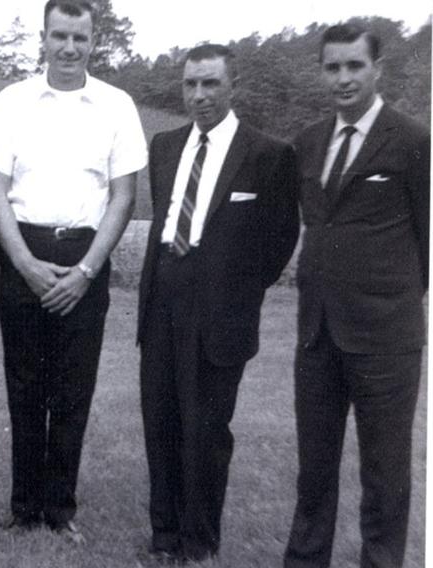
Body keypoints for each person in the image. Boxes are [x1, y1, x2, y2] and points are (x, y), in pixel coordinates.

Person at [0, 0, 147, 544]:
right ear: (44, 38)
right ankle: (24, 506)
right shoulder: (11, 102)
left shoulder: (117, 105)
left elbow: (124, 196)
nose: (69, 47)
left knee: (73, 390)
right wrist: (23, 263)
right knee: (25, 386)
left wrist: (86, 269)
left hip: (86, 257)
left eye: (80, 37)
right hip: (23, 250)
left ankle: (59, 507)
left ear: (94, 41)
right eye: (60, 36)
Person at [136, 43, 299, 563]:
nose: (199, 95)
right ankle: (163, 538)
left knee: (204, 431)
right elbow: (165, 221)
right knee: (159, 422)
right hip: (162, 298)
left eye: (210, 83)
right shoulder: (164, 146)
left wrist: (236, 291)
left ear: (233, 86)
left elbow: (280, 238)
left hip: (221, 310)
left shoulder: (267, 154)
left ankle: (198, 543)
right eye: (190, 84)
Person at [284, 23, 429, 568]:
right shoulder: (309, 141)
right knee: (313, 466)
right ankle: (303, 560)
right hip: (317, 333)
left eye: (354, 66)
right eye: (333, 67)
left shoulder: (414, 141)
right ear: (322, 71)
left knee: (386, 471)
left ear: (377, 69)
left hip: (386, 338)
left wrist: (390, 302)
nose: (343, 78)